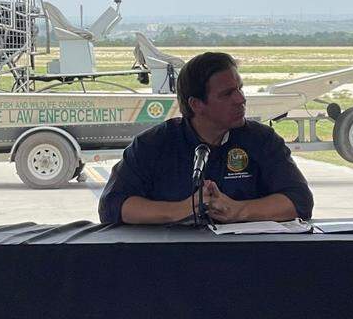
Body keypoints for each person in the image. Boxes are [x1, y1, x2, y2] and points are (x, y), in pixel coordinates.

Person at [98, 51, 313, 225]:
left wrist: (238, 210)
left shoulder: (261, 140)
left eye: (240, 88)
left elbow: (299, 201)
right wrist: (184, 209)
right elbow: (113, 206)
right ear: (196, 104)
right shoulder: (153, 145)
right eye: (227, 94)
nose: (241, 99)